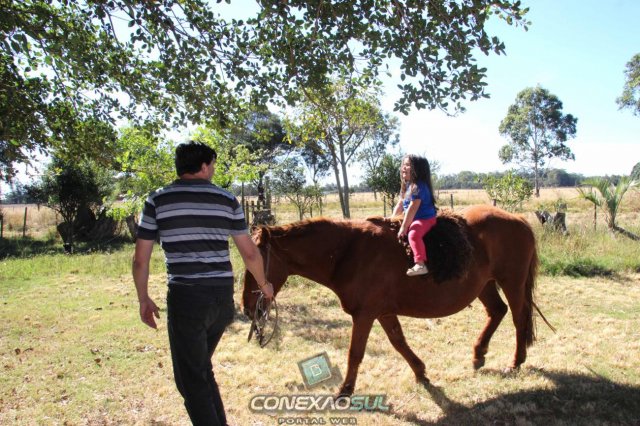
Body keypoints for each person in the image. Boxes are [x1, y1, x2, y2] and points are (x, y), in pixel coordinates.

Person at [132, 141, 273, 426]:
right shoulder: (226, 200)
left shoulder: (157, 200)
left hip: (186, 299)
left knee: (191, 379)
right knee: (200, 371)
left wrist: (143, 298)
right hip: (221, 299)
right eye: (214, 165)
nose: (214, 170)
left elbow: (140, 260)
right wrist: (264, 284)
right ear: (205, 166)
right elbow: (249, 253)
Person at [392, 154, 438, 277]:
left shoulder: (418, 186)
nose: (403, 167)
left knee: (413, 234)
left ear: (417, 169)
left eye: (407, 165)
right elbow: (400, 205)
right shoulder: (406, 186)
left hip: (424, 219)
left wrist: (404, 227)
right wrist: (391, 219)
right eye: (403, 164)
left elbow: (412, 209)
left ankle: (420, 264)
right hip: (412, 217)